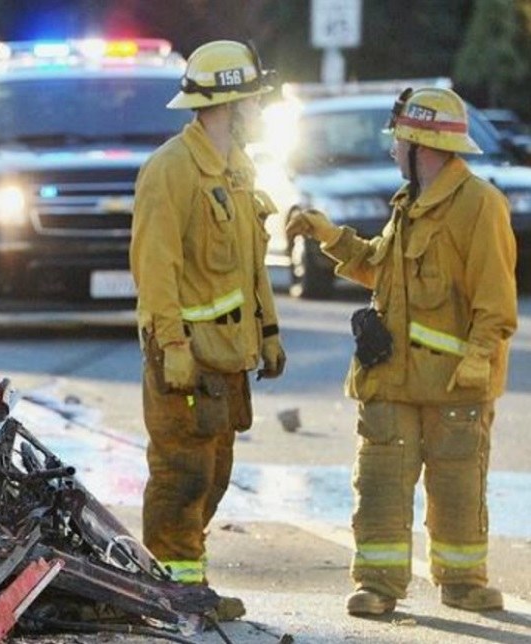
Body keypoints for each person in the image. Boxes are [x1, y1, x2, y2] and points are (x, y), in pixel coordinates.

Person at [287, 87, 516, 616]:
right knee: (380, 483)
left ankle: (462, 581)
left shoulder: (480, 207)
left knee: (456, 484)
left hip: (453, 384)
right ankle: (378, 586)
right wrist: (331, 237)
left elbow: (496, 302)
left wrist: (480, 355)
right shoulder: (408, 205)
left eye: (399, 141)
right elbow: (380, 271)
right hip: (391, 378)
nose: (392, 149)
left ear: (423, 146)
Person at [130, 40, 285, 622]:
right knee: (181, 478)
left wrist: (268, 331)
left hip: (226, 361)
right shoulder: (171, 170)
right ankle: (171, 596)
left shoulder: (236, 171)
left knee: (214, 476)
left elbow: (251, 265)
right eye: (254, 101)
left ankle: (181, 587)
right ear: (230, 104)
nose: (260, 111)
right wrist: (171, 345)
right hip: (186, 360)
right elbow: (156, 268)